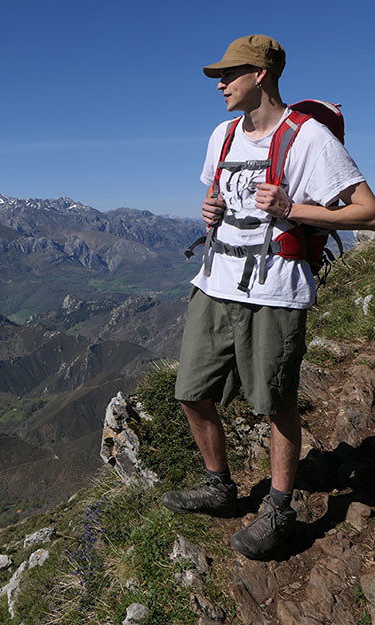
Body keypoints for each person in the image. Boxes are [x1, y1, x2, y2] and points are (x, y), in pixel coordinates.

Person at [161, 34, 375, 560]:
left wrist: (294, 208)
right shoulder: (223, 134)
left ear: (261, 74)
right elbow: (215, 195)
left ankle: (279, 508)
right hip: (217, 282)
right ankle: (220, 485)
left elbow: (367, 211)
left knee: (274, 401)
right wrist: (209, 211)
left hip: (276, 290)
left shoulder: (310, 139)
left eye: (229, 73)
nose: (219, 83)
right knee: (191, 389)